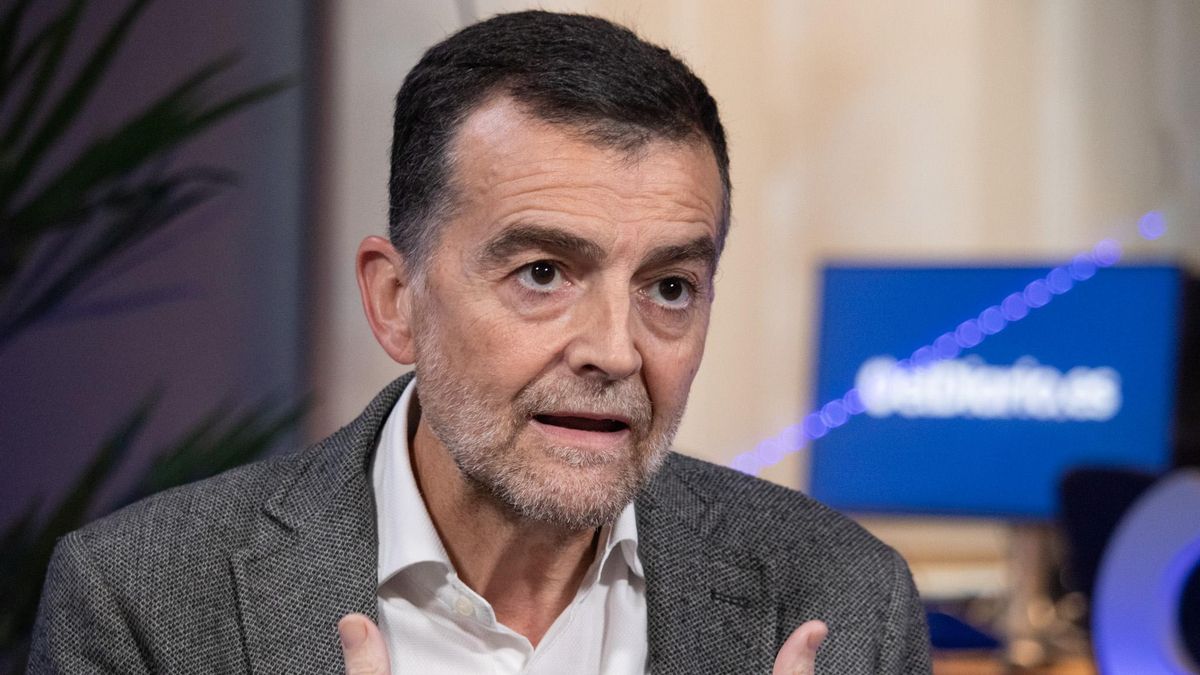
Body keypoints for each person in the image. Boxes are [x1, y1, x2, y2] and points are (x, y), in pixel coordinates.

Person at [30, 11, 931, 674]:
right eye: (543, 272)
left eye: (669, 287)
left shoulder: (846, 599)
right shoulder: (142, 600)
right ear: (397, 301)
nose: (616, 351)